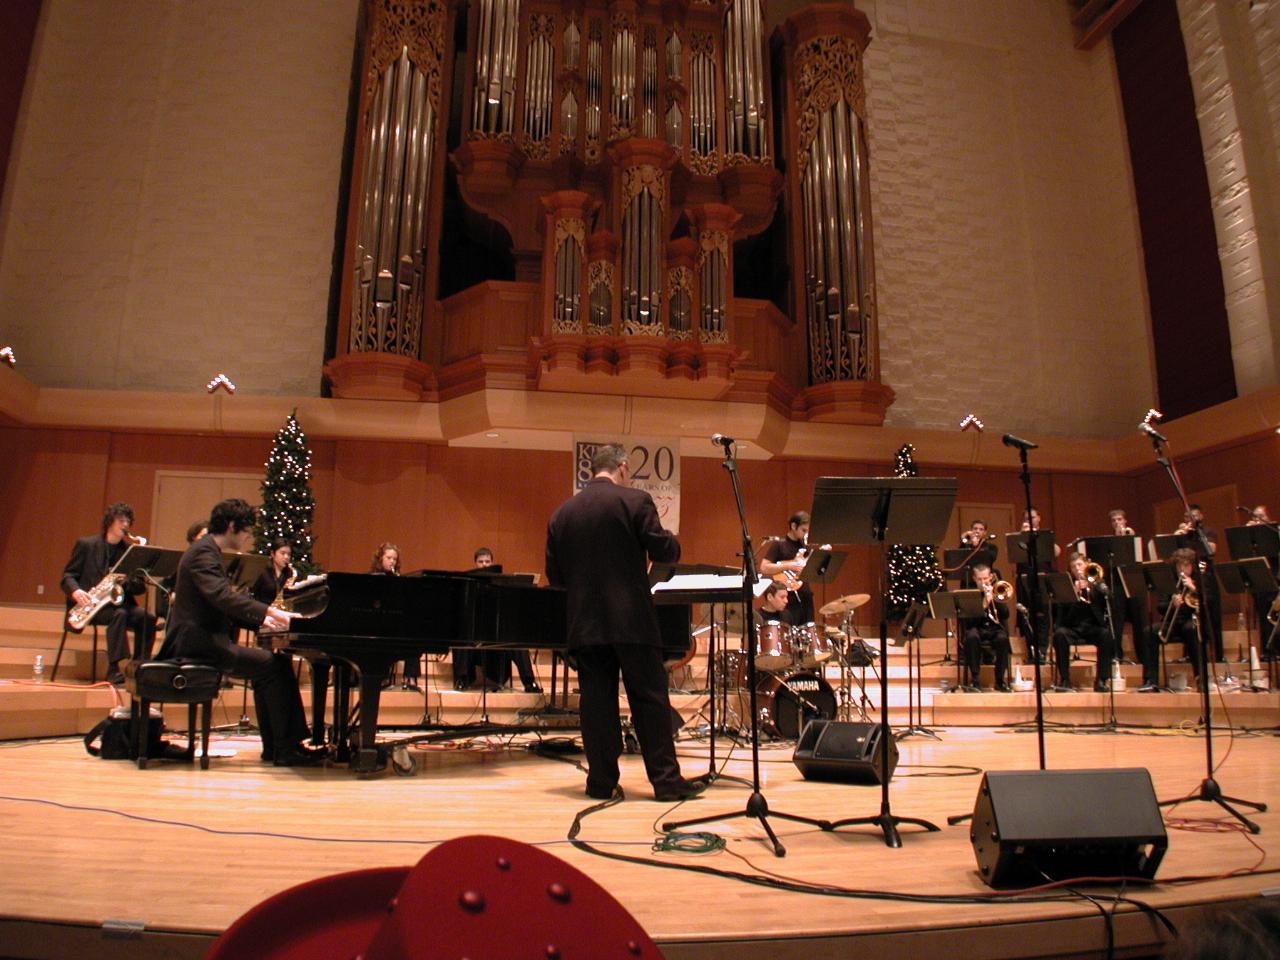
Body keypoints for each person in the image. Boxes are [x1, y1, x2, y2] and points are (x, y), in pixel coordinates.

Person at [546, 442, 700, 802]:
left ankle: (600, 783)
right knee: (649, 699)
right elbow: (664, 551)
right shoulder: (634, 501)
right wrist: (672, 541)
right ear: (622, 467)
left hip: (585, 623)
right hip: (632, 620)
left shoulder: (562, 513)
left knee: (596, 703)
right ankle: (665, 782)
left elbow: (555, 576)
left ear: (592, 470)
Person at [164, 498, 321, 766]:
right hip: (199, 644)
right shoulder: (203, 553)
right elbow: (223, 597)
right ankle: (285, 748)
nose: (248, 537)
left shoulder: (207, 552)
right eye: (246, 530)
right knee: (274, 666)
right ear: (232, 526)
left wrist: (262, 622)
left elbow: (221, 605)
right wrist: (269, 613)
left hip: (205, 639)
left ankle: (276, 748)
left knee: (271, 666)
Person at [61, 502, 156, 684]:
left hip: (120, 604)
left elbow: (140, 588)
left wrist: (131, 577)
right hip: (91, 603)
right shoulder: (86, 545)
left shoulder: (130, 551)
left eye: (128, 521)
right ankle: (114, 669)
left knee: (148, 618)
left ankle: (138, 666)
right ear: (109, 522)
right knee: (118, 615)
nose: (126, 525)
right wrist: (76, 592)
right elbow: (68, 576)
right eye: (121, 520)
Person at [1051, 552, 1115, 692]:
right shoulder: (1067, 586)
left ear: (1086, 565)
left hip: (1092, 627)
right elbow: (1063, 616)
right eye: (1073, 567)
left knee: (1105, 635)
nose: (1077, 569)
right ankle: (1065, 680)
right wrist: (1075, 593)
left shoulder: (1098, 581)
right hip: (1072, 627)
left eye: (1079, 565)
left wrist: (1094, 585)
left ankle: (1101, 680)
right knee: (1060, 635)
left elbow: (1110, 598)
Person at [368, 542, 420, 691]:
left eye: (395, 559)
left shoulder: (398, 580)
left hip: (393, 623)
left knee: (414, 634)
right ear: (380, 559)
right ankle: (380, 677)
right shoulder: (370, 579)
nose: (392, 562)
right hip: (375, 624)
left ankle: (410, 677)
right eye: (389, 558)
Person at [1174, 505, 1223, 661]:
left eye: (1193, 516)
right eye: (1187, 517)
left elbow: (1211, 550)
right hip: (1187, 576)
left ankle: (1217, 656)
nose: (1190, 520)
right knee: (1188, 616)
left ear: (1201, 516)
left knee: (1212, 618)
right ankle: (1191, 655)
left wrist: (1197, 533)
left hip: (1206, 576)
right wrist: (1177, 537)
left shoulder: (1207, 532)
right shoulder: (1183, 535)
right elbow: (1174, 555)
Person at [959, 564, 1012, 692]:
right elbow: (969, 621)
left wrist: (995, 599)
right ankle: (975, 679)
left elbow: (1005, 614)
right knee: (971, 637)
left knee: (1003, 638)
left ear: (991, 577)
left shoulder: (997, 591)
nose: (983, 582)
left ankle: (1000, 680)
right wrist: (984, 603)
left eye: (985, 579)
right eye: (979, 579)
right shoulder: (970, 595)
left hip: (994, 629)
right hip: (976, 628)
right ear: (974, 579)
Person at [1155, 547, 1203, 683]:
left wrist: (1194, 588)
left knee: (1191, 629)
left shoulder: (1200, 579)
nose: (1182, 569)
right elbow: (1160, 606)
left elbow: (1208, 603)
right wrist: (1172, 602)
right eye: (1179, 565)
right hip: (1173, 623)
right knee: (1149, 632)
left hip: (1193, 621)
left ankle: (1200, 676)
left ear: (1192, 566)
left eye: (1186, 565)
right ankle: (1150, 680)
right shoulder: (1169, 582)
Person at [758, 511, 816, 624]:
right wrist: (789, 565)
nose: (805, 534)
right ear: (794, 526)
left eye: (807, 531)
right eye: (803, 530)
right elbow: (764, 567)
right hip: (788, 597)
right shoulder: (779, 544)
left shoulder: (805, 546)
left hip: (805, 595)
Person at [253, 540, 294, 606]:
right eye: (282, 553)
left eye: (289, 554)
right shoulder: (262, 571)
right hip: (262, 610)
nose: (286, 557)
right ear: (272, 553)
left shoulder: (290, 573)